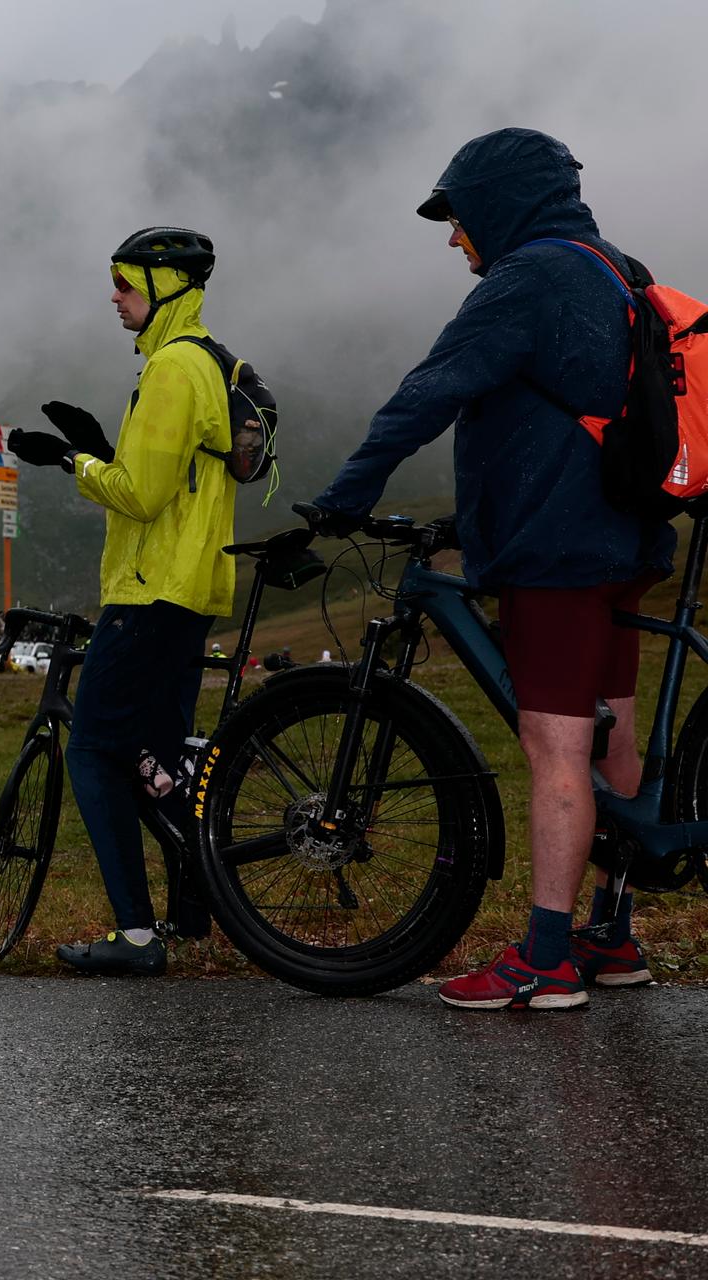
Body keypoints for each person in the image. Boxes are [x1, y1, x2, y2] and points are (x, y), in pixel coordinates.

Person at [305, 129, 674, 1010]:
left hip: (556, 547)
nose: (452, 237)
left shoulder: (528, 279)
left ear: (502, 203)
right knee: (609, 736)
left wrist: (345, 495)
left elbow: (429, 391)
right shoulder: (620, 268)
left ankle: (546, 961)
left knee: (555, 751)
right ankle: (610, 937)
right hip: (628, 542)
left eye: (459, 217)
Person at [6, 226, 237, 976]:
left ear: (167, 287)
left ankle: (137, 936)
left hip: (151, 591)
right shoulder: (204, 359)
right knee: (161, 755)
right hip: (190, 586)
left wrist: (73, 461)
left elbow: (140, 495)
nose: (115, 297)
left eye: (127, 284)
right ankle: (194, 908)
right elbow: (167, 479)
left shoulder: (172, 368)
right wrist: (105, 446)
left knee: (96, 752)